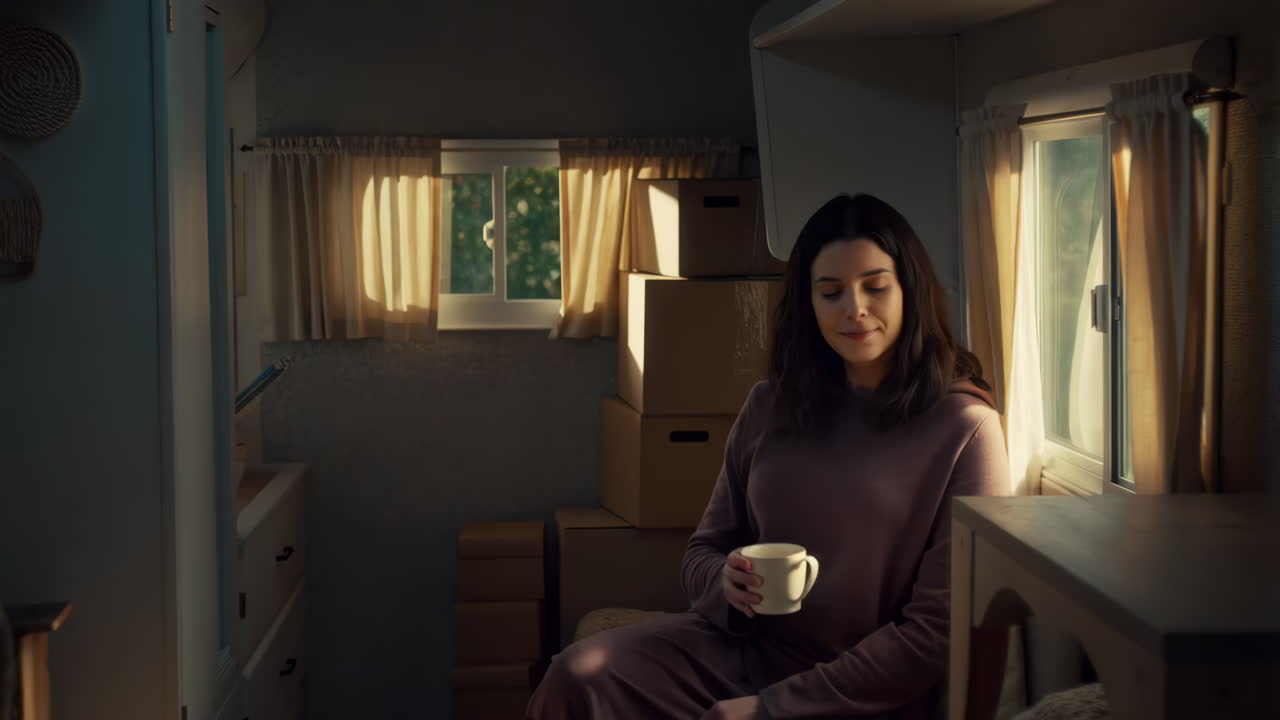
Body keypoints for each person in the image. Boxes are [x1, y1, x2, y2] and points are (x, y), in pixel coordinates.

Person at [528, 193, 1009, 719]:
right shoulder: (770, 405)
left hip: (859, 687)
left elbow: (937, 632)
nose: (854, 309)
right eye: (831, 292)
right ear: (808, 303)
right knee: (577, 675)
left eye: (875, 287)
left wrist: (769, 709)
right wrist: (724, 583)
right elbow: (703, 551)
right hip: (739, 654)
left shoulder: (967, 428)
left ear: (909, 292)